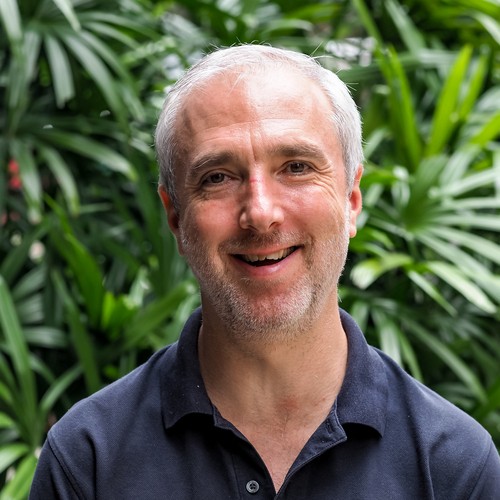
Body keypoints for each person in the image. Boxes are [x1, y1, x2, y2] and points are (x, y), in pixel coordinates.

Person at [30, 44, 500, 499]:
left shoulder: (455, 466)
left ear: (351, 200)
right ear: (175, 217)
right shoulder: (88, 460)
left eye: (296, 167)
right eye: (218, 177)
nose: (260, 213)